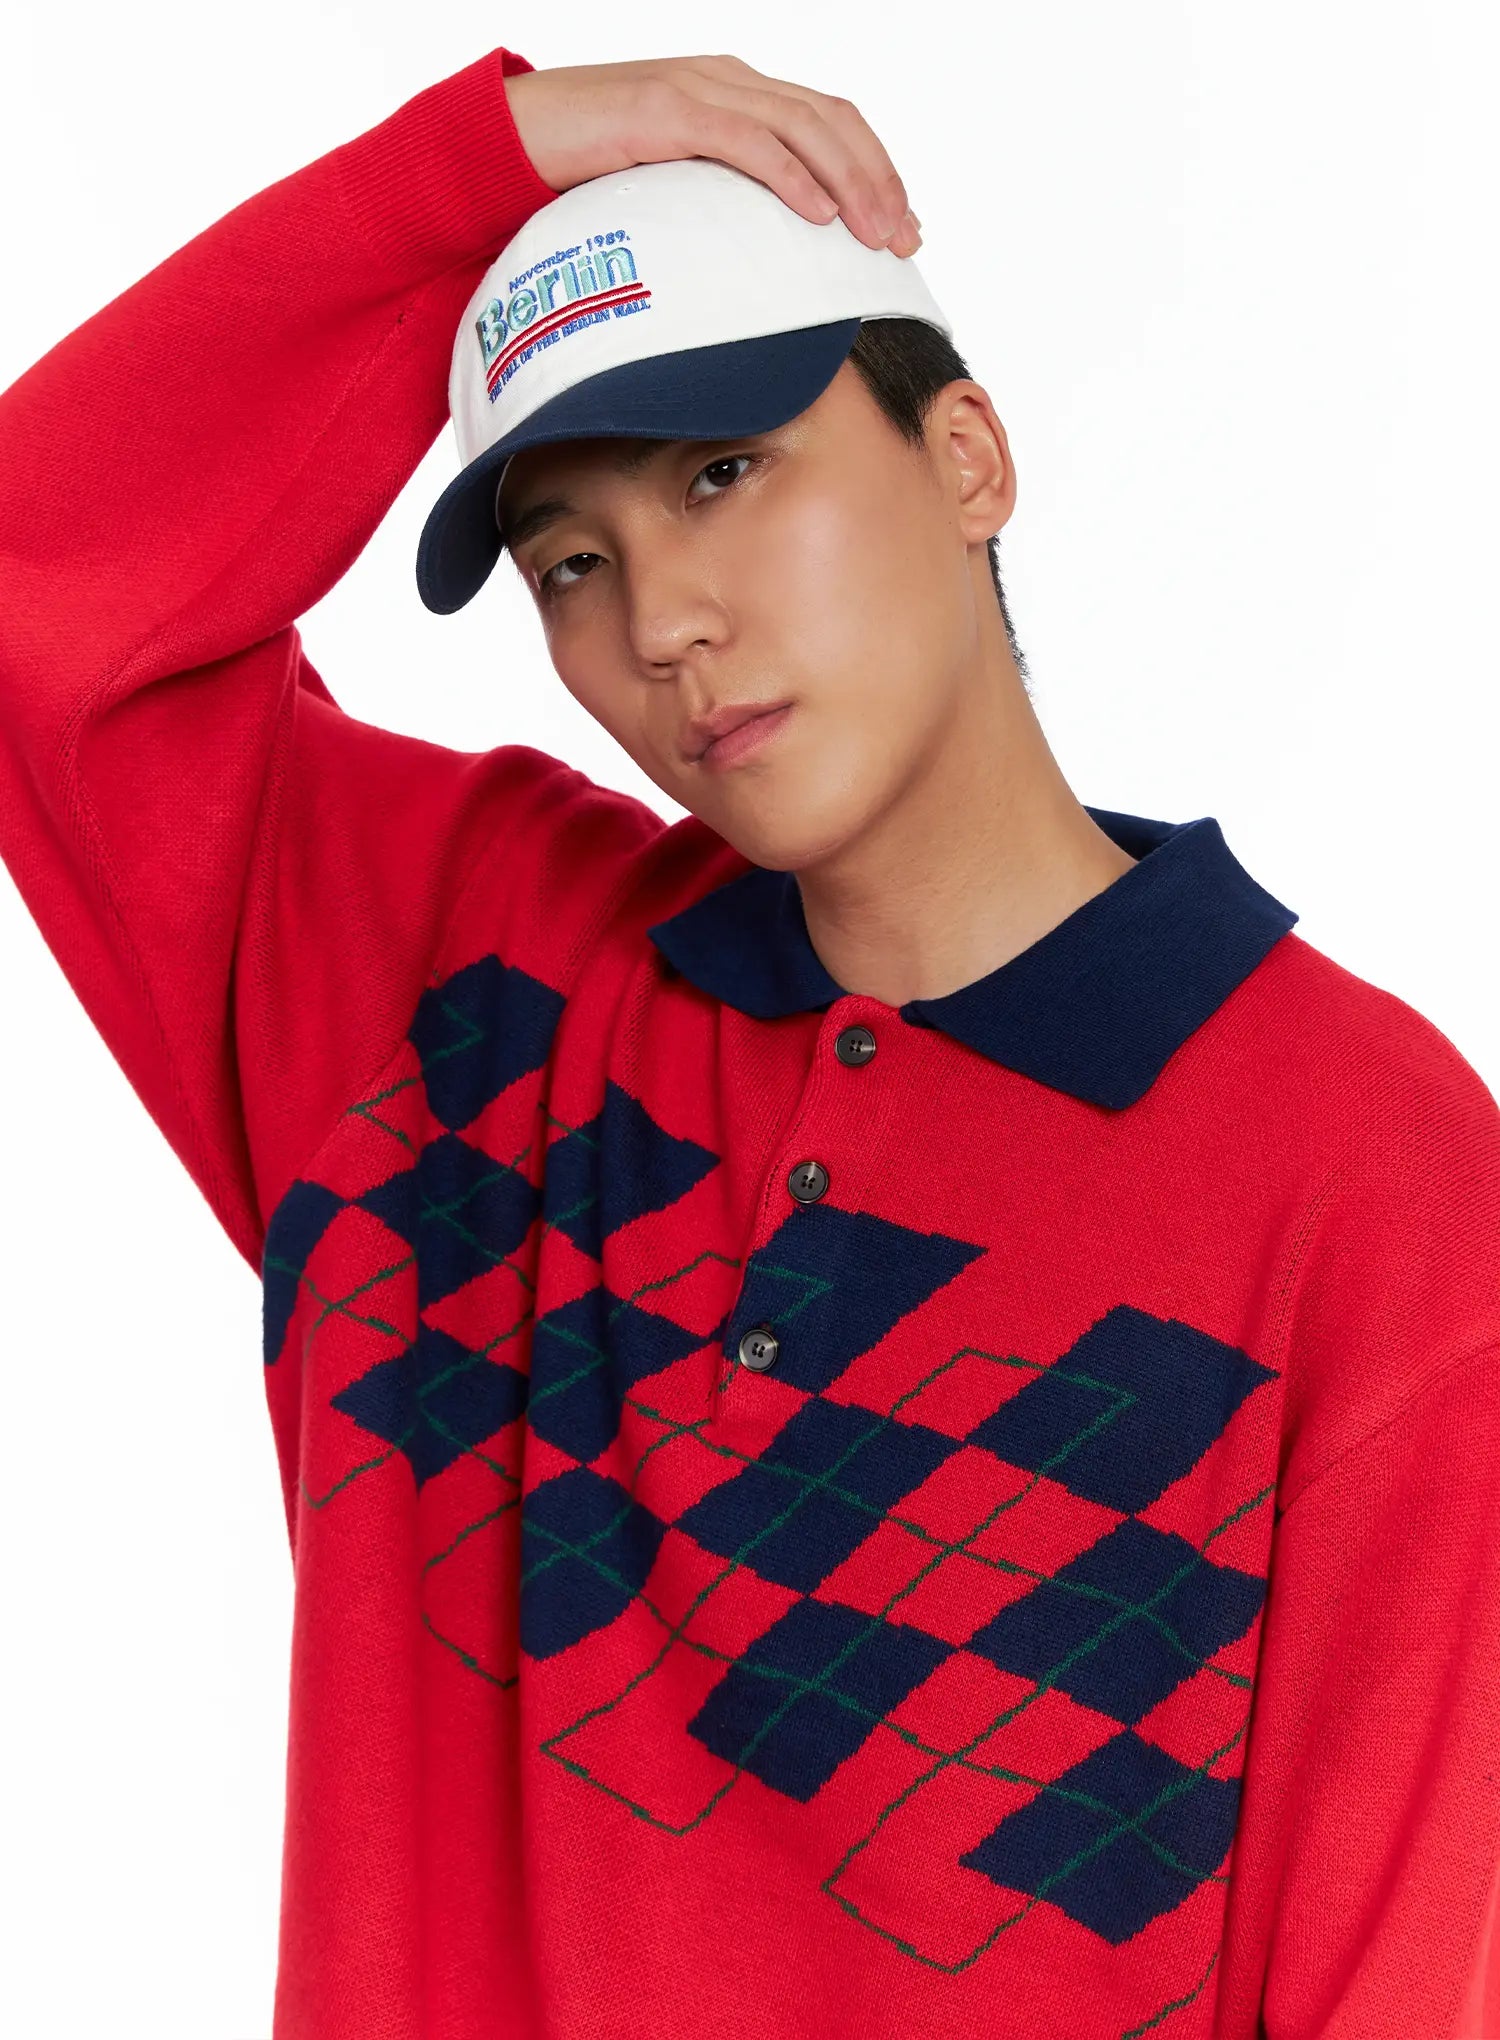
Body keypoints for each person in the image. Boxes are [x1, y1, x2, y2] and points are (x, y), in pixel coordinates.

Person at [1, 40, 1496, 2040]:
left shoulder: (1368, 1175)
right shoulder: (456, 1014)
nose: (662, 624)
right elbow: (36, 587)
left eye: (724, 472)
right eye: (574, 562)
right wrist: (468, 173)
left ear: (968, 459)